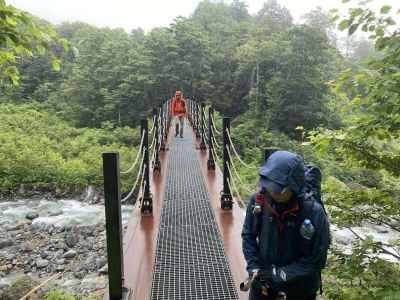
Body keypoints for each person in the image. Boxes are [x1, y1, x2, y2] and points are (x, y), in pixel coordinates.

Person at [242, 151, 330, 300]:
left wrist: (278, 274)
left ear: (293, 185)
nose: (271, 191)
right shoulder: (258, 201)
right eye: (269, 185)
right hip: (263, 285)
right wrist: (253, 267)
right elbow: (248, 235)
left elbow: (316, 259)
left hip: (299, 291)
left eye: (277, 188)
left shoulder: (314, 212)